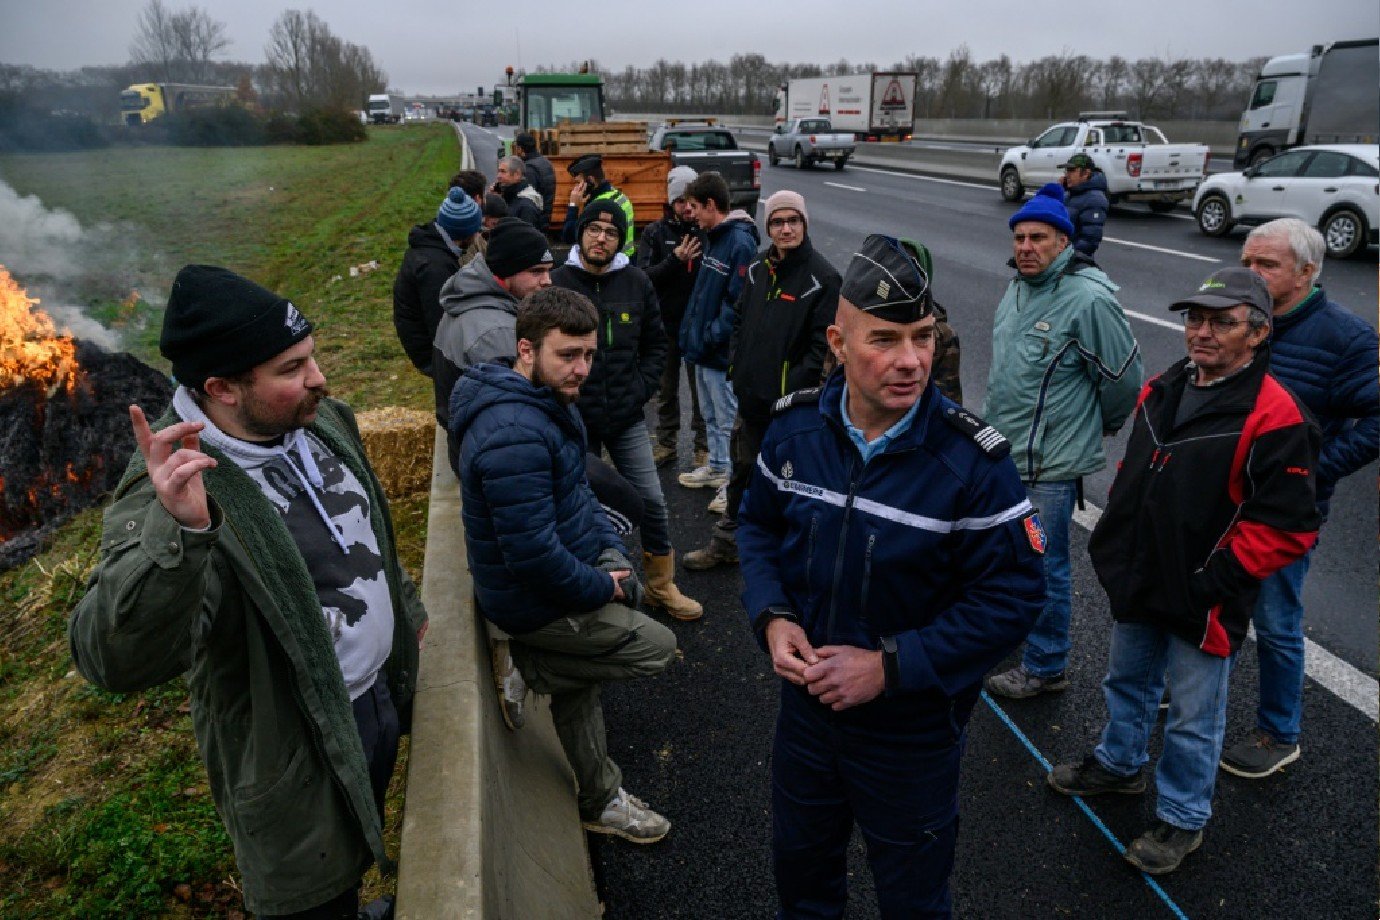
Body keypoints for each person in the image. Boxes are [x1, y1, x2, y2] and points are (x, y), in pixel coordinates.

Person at [69, 265, 427, 920]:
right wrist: (181, 534)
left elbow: (364, 530)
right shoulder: (175, 491)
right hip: (295, 751)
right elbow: (108, 659)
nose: (318, 378)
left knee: (362, 826)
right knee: (312, 892)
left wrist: (408, 610)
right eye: (291, 369)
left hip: (374, 703)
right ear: (222, 389)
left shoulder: (323, 422)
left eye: (311, 357)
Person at [737, 235, 1045, 918]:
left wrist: (890, 667)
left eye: (922, 337)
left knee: (912, 896)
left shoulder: (974, 466)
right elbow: (756, 527)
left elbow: (1017, 597)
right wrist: (772, 614)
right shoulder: (792, 435)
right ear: (838, 343)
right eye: (884, 339)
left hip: (912, 732)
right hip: (807, 718)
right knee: (802, 875)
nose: (910, 361)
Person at [1049, 267, 1320, 875]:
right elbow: (1134, 475)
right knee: (1126, 681)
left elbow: (1288, 527)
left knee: (1195, 718)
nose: (1202, 332)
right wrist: (1114, 547)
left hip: (1204, 595)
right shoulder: (1165, 387)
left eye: (1222, 322)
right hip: (1140, 575)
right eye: (1196, 319)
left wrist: (1213, 579)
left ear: (1257, 334)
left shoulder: (1274, 413)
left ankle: (1183, 816)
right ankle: (1118, 767)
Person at [451, 285, 678, 843]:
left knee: (583, 686)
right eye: (568, 356)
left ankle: (600, 799)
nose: (582, 369)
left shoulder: (545, 405)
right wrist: (603, 585)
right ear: (525, 351)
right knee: (658, 647)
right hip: (530, 599)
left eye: (589, 355)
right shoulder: (514, 435)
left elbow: (578, 497)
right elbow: (531, 558)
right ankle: (530, 666)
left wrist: (607, 550)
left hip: (561, 574)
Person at [1219, 218, 1379, 778]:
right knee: (1206, 598)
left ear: (1308, 272)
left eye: (1267, 265)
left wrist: (1313, 473)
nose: (1252, 273)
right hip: (1221, 495)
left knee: (1277, 620)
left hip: (1286, 511)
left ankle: (1277, 731)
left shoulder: (1346, 337)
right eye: (1247, 262)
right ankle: (1196, 688)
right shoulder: (1241, 319)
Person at [982, 182, 1142, 700]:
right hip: (1006, 451)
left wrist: (1096, 428)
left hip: (1050, 462)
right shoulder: (1018, 287)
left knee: (1044, 565)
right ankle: (1015, 637)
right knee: (1005, 556)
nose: (1026, 247)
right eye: (1020, 237)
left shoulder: (1089, 299)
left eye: (1039, 238)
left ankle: (1047, 666)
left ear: (1064, 242)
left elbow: (1123, 378)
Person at [551, 199, 701, 621]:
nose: (602, 237)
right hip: (573, 417)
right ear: (581, 233)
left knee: (651, 499)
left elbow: (656, 343)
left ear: (621, 240)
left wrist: (641, 389)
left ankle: (660, 585)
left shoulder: (636, 282)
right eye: (594, 229)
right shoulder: (559, 282)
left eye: (611, 232)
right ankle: (594, 586)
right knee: (578, 503)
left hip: (626, 414)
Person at [684, 189, 839, 569]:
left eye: (793, 221)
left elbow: (822, 349)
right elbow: (739, 321)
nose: (786, 229)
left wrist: (795, 393)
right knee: (743, 472)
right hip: (751, 398)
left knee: (794, 482)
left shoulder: (823, 277)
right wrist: (737, 368)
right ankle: (726, 543)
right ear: (768, 227)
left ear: (804, 224)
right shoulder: (756, 268)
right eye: (777, 222)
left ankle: (794, 557)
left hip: (790, 406)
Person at [676, 171, 759, 495]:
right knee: (711, 414)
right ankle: (718, 467)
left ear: (711, 205)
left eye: (694, 206)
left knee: (726, 420)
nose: (689, 213)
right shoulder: (715, 238)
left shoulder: (739, 242)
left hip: (719, 352)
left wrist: (711, 335)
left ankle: (731, 485)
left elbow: (737, 301)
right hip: (704, 349)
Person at [431, 217, 554, 432]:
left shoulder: (465, 298)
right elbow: (518, 412)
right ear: (506, 272)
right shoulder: (497, 332)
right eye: (536, 271)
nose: (547, 280)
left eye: (548, 270)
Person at [637, 165, 708, 470]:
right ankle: (666, 442)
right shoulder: (655, 233)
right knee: (666, 389)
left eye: (691, 201)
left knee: (701, 391)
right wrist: (675, 260)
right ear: (670, 202)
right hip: (665, 324)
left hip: (697, 326)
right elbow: (643, 277)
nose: (686, 208)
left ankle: (703, 447)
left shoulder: (707, 231)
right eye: (680, 201)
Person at [392, 186, 484, 377]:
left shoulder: (431, 247)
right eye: (475, 231)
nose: (477, 236)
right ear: (464, 233)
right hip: (436, 356)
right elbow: (442, 324)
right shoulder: (435, 267)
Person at [561, 153, 635, 255]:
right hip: (623, 258)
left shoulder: (600, 205)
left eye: (579, 183)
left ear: (590, 180)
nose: (576, 188)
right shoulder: (615, 194)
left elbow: (569, 236)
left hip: (611, 262)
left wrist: (573, 205)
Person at [1058, 152, 1109, 259]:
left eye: (1072, 171)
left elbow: (1090, 240)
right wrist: (1058, 190)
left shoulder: (1095, 199)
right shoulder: (1069, 194)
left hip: (1073, 262)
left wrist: (1066, 257)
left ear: (1086, 173)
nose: (1067, 175)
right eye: (1067, 171)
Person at [514, 131, 557, 230]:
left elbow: (529, 198)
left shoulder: (529, 169)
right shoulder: (545, 162)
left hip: (535, 222)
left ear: (520, 148)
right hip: (545, 217)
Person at [493, 154, 544, 230]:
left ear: (517, 174)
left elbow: (526, 237)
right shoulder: (509, 196)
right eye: (499, 171)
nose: (498, 176)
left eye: (503, 172)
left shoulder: (526, 206)